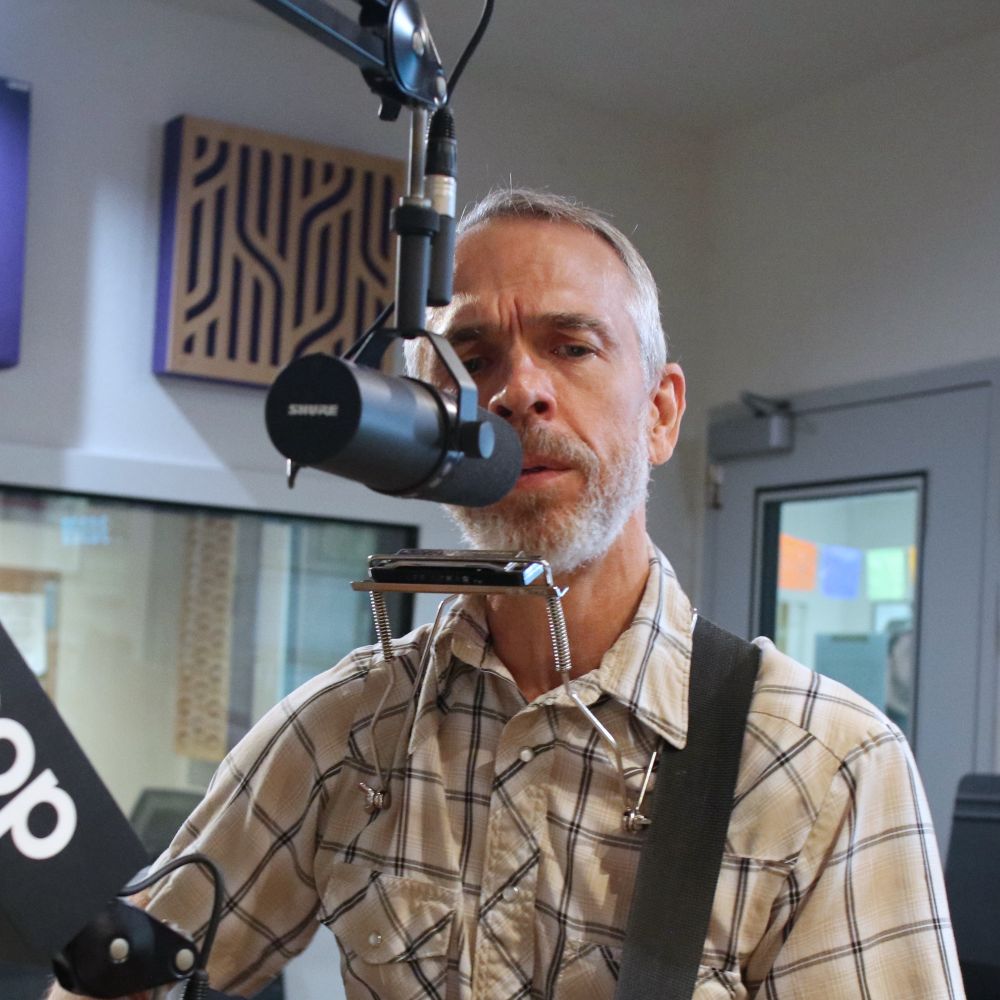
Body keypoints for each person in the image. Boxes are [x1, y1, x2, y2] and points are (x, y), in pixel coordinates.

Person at [48, 189, 963, 999]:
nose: (518, 392)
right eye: (475, 357)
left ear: (662, 413)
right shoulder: (344, 736)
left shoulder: (824, 765)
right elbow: (117, 974)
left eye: (572, 347)